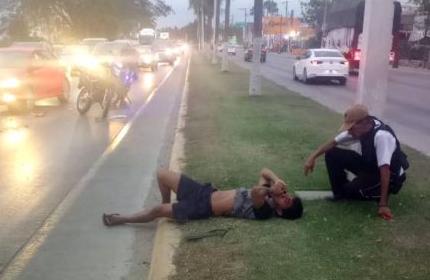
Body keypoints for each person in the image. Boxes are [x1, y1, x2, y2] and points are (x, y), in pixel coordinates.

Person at [303, 103, 408, 220]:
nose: (350, 132)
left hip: (389, 176)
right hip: (370, 166)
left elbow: (385, 171)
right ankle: (339, 194)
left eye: (352, 128)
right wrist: (312, 157)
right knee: (332, 153)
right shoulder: (361, 128)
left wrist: (383, 205)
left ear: (364, 122)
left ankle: (377, 194)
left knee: (350, 191)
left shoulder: (382, 136)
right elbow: (333, 142)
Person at [102, 167, 303, 225]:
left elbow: (256, 192)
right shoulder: (270, 192)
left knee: (156, 211)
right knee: (162, 174)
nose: (286, 196)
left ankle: (122, 219)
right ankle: (167, 207)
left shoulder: (265, 211)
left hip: (202, 208)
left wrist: (270, 190)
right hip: (204, 192)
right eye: (289, 195)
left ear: (280, 212)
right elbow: (264, 171)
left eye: (287, 201)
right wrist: (277, 180)